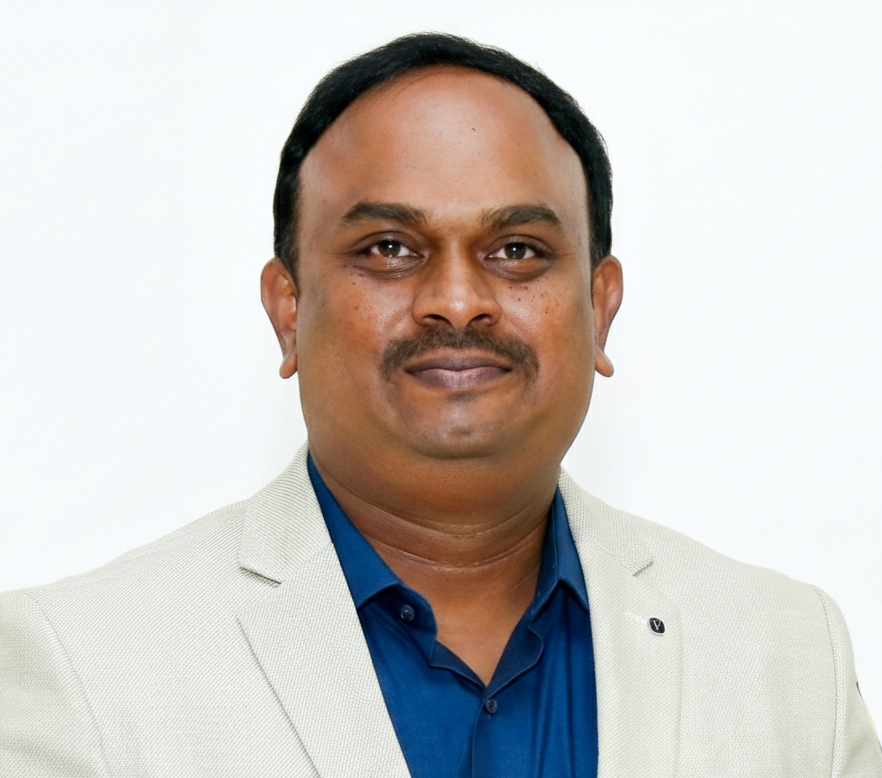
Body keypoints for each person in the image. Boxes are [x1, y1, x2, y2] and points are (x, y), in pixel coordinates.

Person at [1, 32, 879, 778]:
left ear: (600, 307)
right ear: (289, 309)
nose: (458, 301)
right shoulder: (83, 667)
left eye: (517, 250)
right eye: (389, 247)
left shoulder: (788, 657)